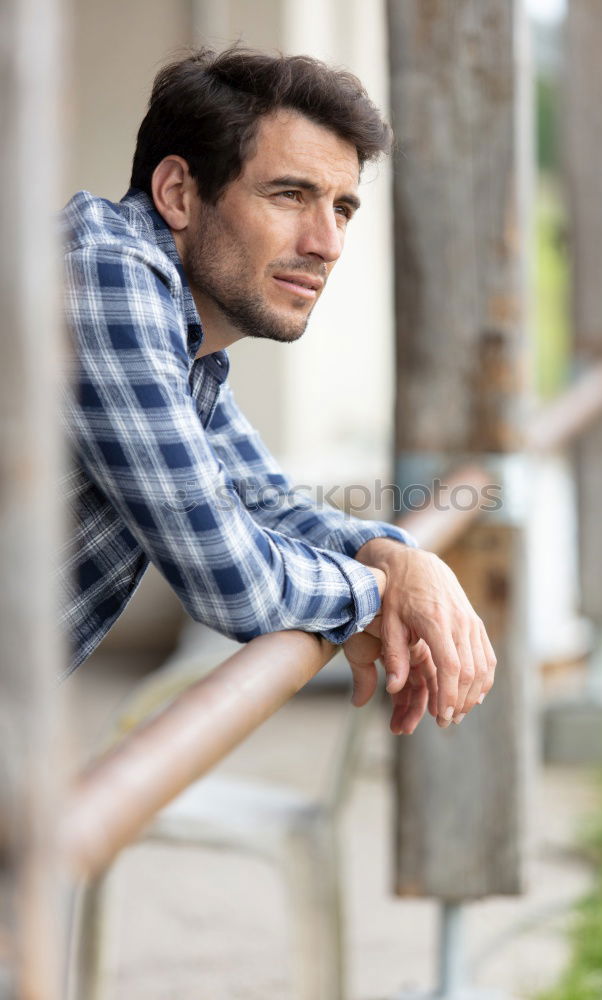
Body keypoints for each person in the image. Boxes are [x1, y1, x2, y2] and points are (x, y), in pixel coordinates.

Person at [58, 46, 496, 734]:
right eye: (290, 195)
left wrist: (394, 556)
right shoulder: (104, 277)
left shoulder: (181, 326)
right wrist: (378, 593)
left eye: (343, 207)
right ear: (178, 193)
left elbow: (260, 500)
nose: (327, 243)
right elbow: (230, 577)